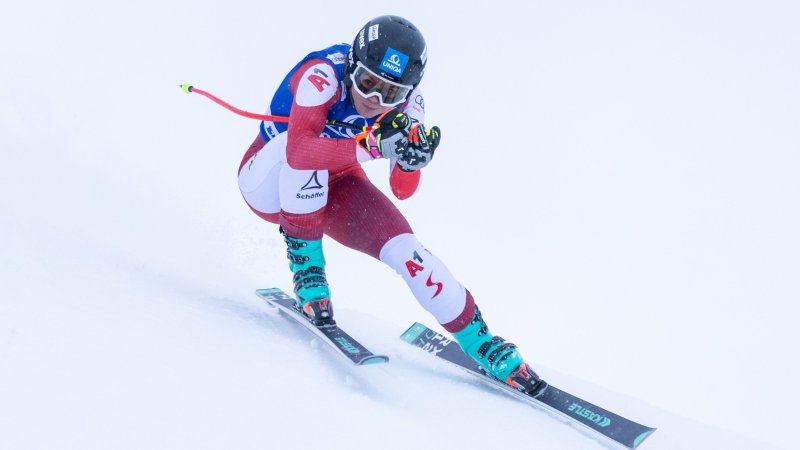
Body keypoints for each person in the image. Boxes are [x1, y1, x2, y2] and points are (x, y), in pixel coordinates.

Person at [237, 15, 544, 394]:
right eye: (367, 83)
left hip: (337, 186)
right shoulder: (323, 76)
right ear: (353, 65)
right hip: (268, 183)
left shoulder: (412, 106)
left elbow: (402, 189)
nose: (374, 100)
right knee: (300, 158)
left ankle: (480, 342)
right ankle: (308, 272)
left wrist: (412, 162)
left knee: (408, 251)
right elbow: (299, 152)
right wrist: (370, 147)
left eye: (391, 93)